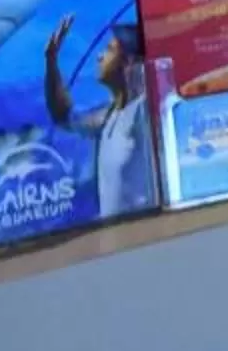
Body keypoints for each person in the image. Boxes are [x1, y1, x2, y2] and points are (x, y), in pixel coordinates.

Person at [44, 15, 153, 220]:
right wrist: (51, 61)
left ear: (128, 62)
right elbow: (63, 116)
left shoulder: (143, 111)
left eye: (110, 50)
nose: (99, 56)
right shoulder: (108, 116)